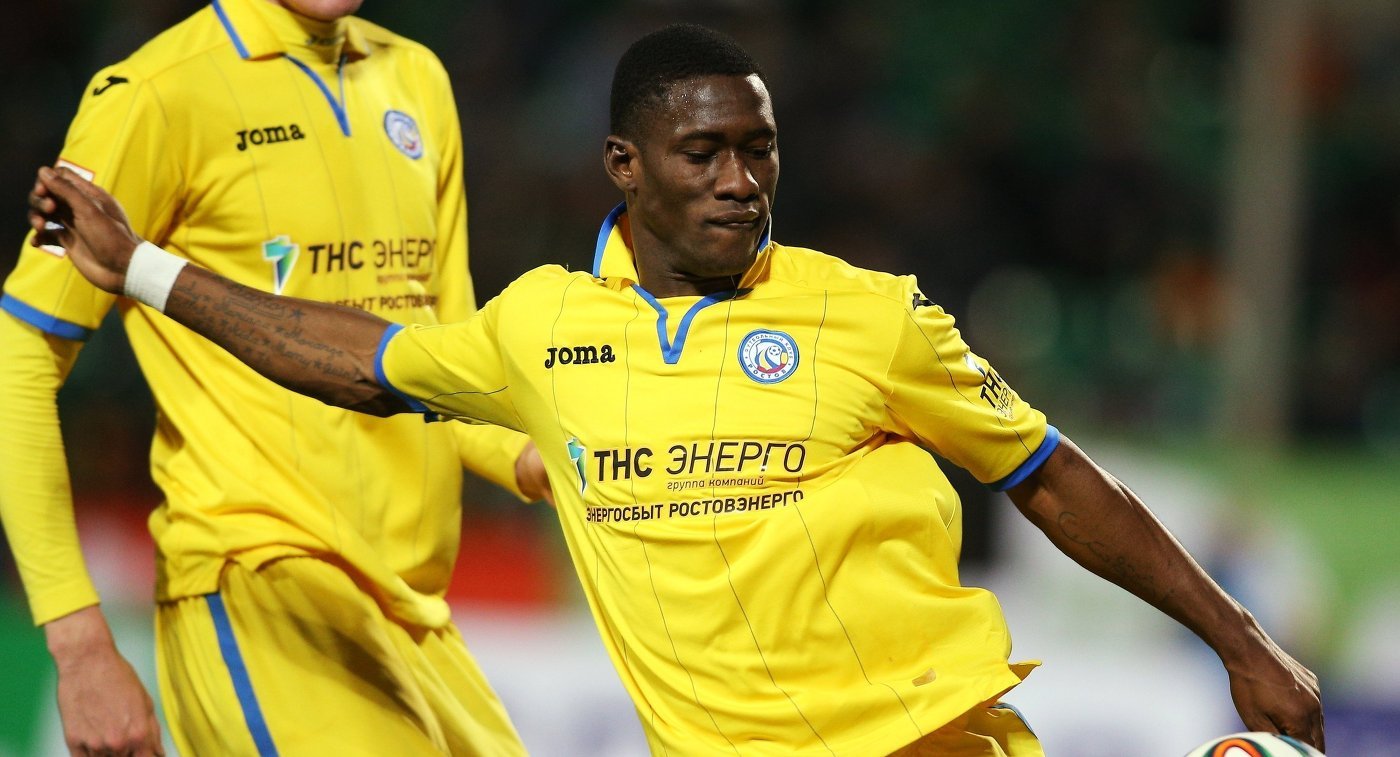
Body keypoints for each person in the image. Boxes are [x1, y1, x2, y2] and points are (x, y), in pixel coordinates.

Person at [27, 22, 1325, 757]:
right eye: (702, 152)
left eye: (760, 150)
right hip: (283, 587)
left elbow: (1048, 474)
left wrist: (1240, 639)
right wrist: (141, 269)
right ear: (623, 166)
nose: (739, 181)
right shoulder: (543, 332)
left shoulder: (869, 314)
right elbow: (355, 358)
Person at [0, 0, 548, 754]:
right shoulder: (157, 92)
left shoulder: (417, 77)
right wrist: (78, 640)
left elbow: (436, 357)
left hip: (412, 617)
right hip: (257, 591)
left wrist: (529, 455)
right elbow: (20, 355)